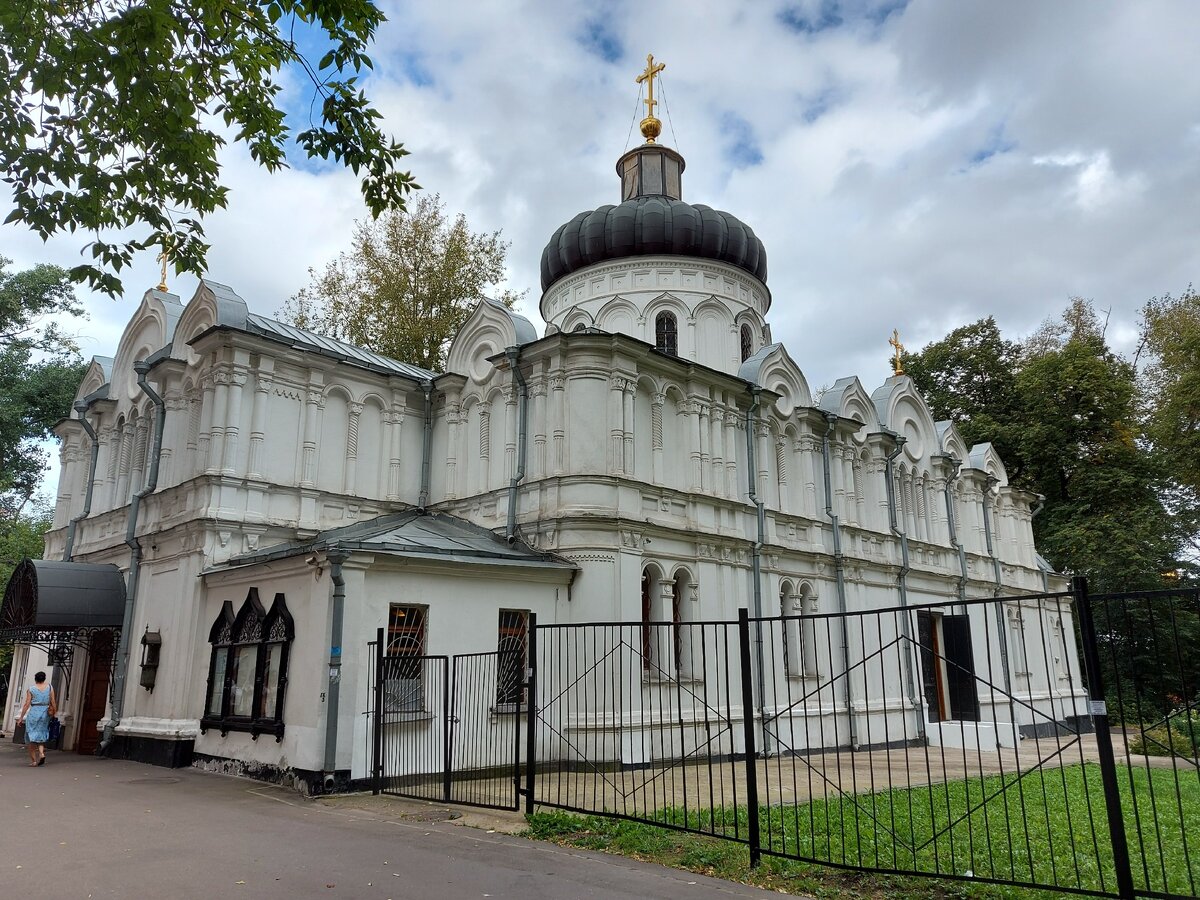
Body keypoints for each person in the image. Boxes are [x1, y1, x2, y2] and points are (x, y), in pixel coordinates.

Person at [16, 671, 57, 767]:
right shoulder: (50, 687)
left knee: (31, 737)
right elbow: (53, 701)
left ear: (36, 679)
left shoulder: (31, 689)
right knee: (41, 734)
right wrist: (54, 713)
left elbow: (27, 704)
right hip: (45, 713)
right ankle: (42, 753)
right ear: (44, 678)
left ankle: (34, 761)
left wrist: (21, 717)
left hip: (34, 712)